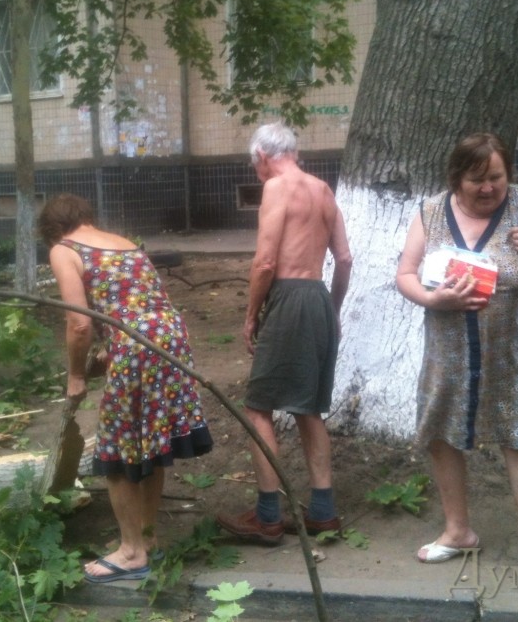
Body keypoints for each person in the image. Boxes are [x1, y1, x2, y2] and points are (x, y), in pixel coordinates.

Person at [395, 132, 518, 593]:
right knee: (442, 436)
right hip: (448, 350)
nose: (488, 187)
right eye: (476, 179)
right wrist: (432, 298)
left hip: (512, 349)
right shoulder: (431, 212)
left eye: (496, 176)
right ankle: (458, 531)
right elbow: (405, 274)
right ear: (456, 178)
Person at [40, 194, 213, 583]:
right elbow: (139, 305)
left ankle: (131, 552)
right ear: (86, 217)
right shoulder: (125, 244)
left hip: (136, 346)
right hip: (169, 338)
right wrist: (110, 350)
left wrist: (76, 376)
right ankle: (147, 539)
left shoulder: (64, 249)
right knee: (150, 441)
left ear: (52, 229)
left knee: (116, 448)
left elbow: (79, 323)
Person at [215, 122, 352, 544]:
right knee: (308, 409)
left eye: (254, 164)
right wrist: (332, 309)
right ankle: (323, 513)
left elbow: (265, 263)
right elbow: (345, 259)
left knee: (258, 408)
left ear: (261, 156)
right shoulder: (323, 190)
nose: (256, 171)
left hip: (289, 298)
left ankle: (268, 517)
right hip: (317, 297)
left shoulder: (276, 188)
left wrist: (251, 314)